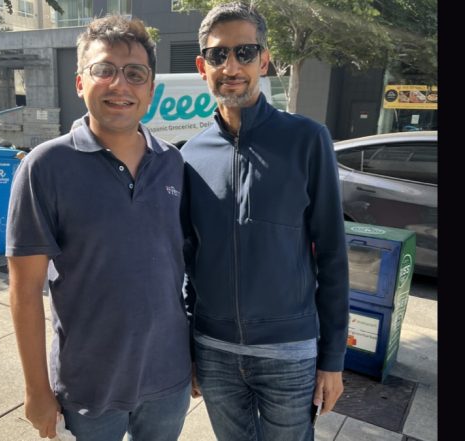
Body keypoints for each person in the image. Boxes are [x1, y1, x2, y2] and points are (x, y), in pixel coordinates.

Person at [6, 15, 191, 441]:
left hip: (168, 383)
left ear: (150, 90)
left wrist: (193, 361)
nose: (119, 85)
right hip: (86, 388)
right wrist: (36, 390)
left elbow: (184, 268)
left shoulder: (173, 164)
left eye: (134, 74)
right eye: (104, 70)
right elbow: (24, 291)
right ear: (80, 83)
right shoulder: (45, 167)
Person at [180, 2, 350, 440]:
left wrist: (332, 359)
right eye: (218, 55)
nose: (231, 65)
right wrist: (189, 348)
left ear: (265, 59)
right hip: (214, 350)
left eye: (244, 52)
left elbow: (332, 255)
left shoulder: (307, 140)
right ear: (202, 66)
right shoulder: (189, 156)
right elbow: (185, 259)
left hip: (290, 350)